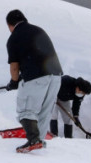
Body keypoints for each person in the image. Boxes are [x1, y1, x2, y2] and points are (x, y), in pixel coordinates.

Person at [5, 9, 63, 153]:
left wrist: (14, 82)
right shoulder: (38, 30)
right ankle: (38, 141)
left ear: (10, 25)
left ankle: (34, 140)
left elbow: (14, 66)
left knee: (26, 110)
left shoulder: (14, 37)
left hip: (36, 76)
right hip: (56, 75)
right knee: (45, 110)